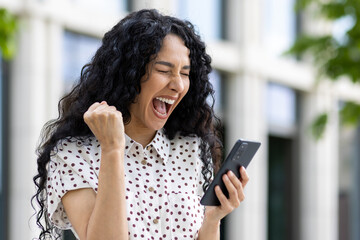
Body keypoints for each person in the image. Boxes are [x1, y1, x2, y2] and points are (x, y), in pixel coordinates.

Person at [32, 9, 249, 240]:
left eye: (185, 73)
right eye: (164, 70)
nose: (178, 85)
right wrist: (112, 149)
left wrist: (213, 218)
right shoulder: (73, 155)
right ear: (129, 74)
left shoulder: (191, 148)